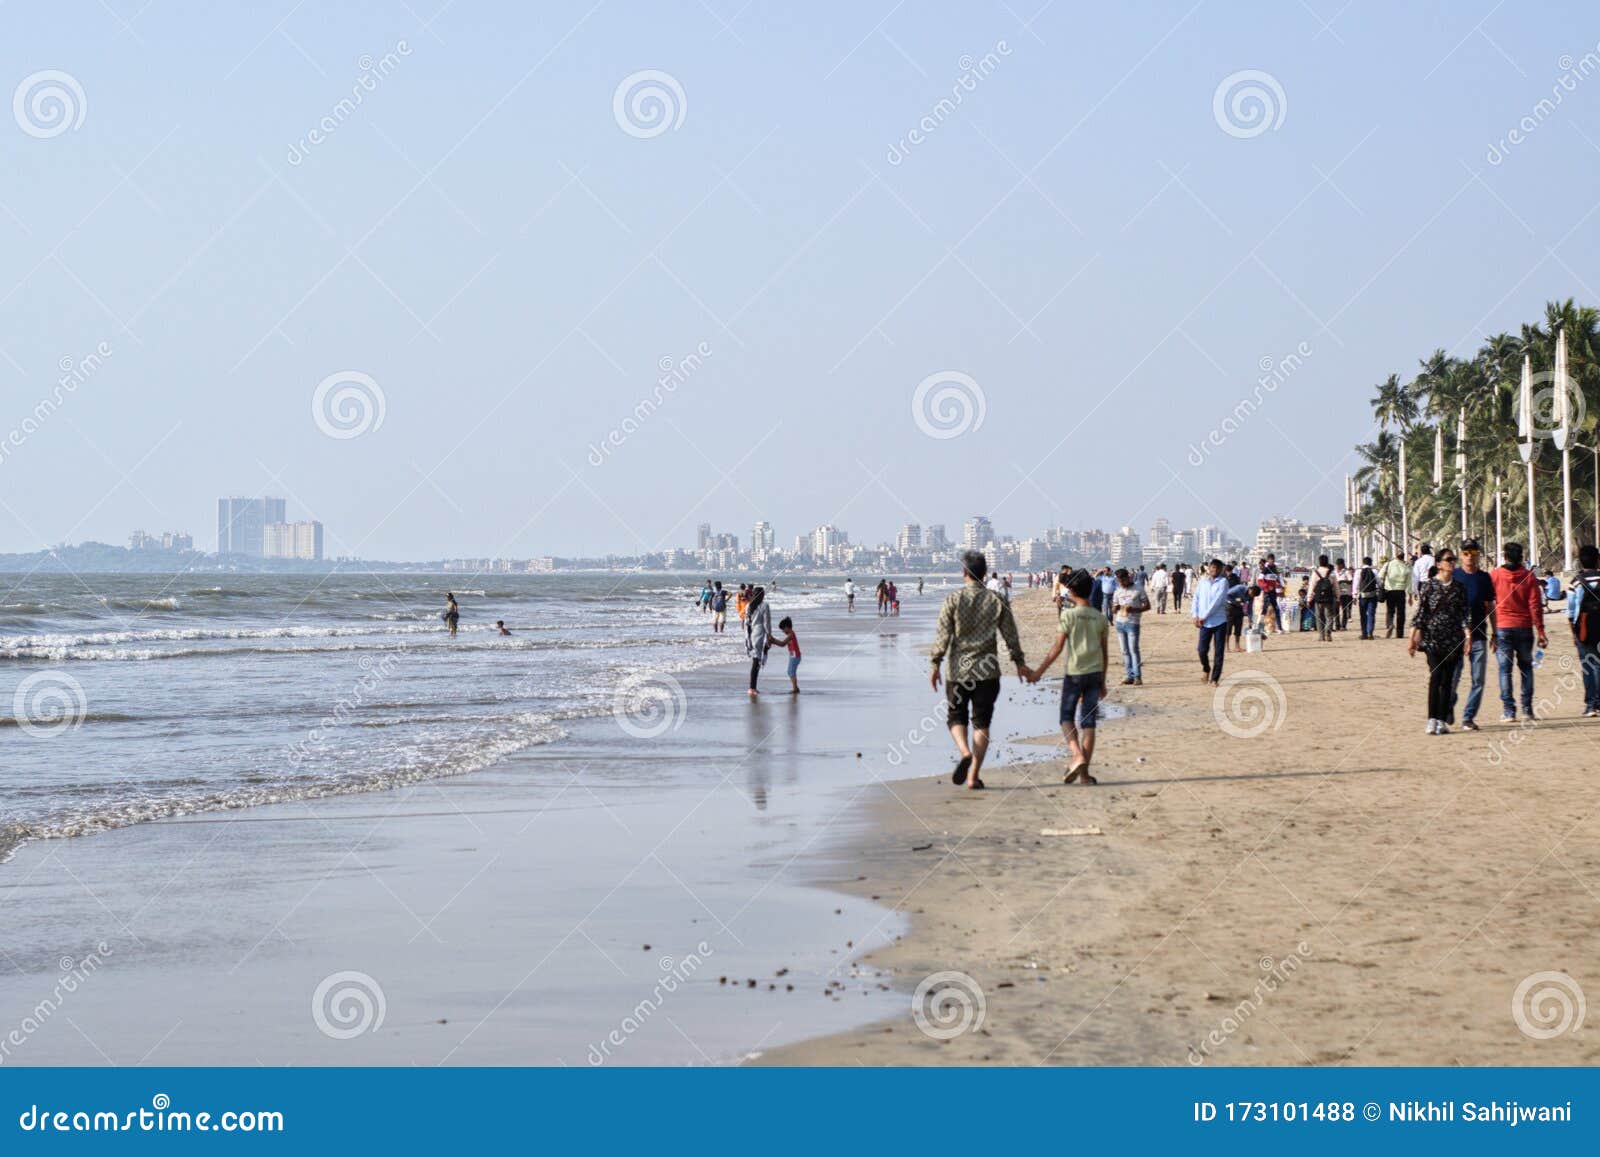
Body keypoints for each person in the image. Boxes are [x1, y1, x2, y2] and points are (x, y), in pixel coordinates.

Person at [929, 550, 1031, 791]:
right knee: (982, 722)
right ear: (984, 574)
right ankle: (973, 776)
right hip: (988, 672)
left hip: (958, 671)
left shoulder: (953, 600)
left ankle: (964, 752)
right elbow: (1010, 635)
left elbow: (943, 635)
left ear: (964, 572)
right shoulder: (996, 600)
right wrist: (1019, 663)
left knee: (956, 716)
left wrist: (935, 663)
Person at [1028, 568, 1108, 785]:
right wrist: (1103, 681)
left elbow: (1057, 648)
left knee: (1066, 718)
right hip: (1094, 675)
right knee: (1089, 723)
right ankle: (1084, 775)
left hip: (1074, 674)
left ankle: (1077, 754)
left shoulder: (1068, 615)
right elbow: (1104, 652)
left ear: (1072, 590)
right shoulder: (1100, 618)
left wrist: (1038, 672)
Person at [1409, 548, 1470, 735]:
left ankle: (1442, 720)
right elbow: (1421, 613)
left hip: (1453, 640)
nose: (1452, 562)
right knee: (1436, 677)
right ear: (1438, 564)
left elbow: (1464, 614)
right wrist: (1413, 637)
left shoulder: (1459, 588)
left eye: (1453, 559)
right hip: (1433, 639)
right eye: (1448, 559)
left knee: (1447, 681)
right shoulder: (1429, 586)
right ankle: (1432, 719)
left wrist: (1468, 634)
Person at [1489, 542, 1547, 723]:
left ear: (1505, 556)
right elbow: (1535, 606)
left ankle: (1509, 711)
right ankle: (1527, 710)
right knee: (1526, 669)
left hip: (1503, 627)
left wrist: (1491, 631)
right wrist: (1541, 630)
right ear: (1521, 556)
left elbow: (1488, 602)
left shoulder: (1495, 575)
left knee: (1505, 670)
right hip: (1524, 628)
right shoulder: (1529, 577)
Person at [1452, 540, 1496, 731]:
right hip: (1455, 636)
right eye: (1466, 552)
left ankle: (1468, 717)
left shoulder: (1484, 578)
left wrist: (1496, 631)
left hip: (1479, 635)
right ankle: (1447, 710)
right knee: (1453, 678)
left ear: (1478, 554)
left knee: (1478, 679)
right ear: (1461, 555)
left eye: (1473, 552)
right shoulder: (1454, 576)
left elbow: (1490, 606)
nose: (1470, 555)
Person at [1191, 559, 1247, 685]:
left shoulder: (1223, 582)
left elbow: (1216, 602)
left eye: (1217, 568)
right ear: (1209, 568)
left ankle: (1215, 678)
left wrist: (1204, 616)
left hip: (1219, 621)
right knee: (1201, 650)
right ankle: (1206, 668)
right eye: (1212, 568)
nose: (1214, 571)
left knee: (1219, 651)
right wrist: (1195, 615)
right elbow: (1196, 598)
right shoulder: (1203, 581)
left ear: (1221, 570)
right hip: (1204, 622)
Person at [1566, 544, 1600, 716]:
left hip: (1584, 628)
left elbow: (1571, 612)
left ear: (1580, 561)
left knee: (1588, 665)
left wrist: (1574, 632)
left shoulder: (1576, 581)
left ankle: (1591, 705)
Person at [1110, 567, 1150, 685]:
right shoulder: (1117, 591)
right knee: (1124, 651)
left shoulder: (1138, 589)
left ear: (1128, 578)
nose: (1121, 583)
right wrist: (1115, 608)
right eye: (1119, 581)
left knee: (1133, 650)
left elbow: (1147, 606)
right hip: (1120, 623)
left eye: (1122, 581)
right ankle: (1129, 675)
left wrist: (1134, 609)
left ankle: (1137, 676)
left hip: (1133, 623)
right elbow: (1113, 608)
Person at [743, 585, 771, 698]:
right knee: (756, 661)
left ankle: (753, 687)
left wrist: (747, 637)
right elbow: (766, 622)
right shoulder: (764, 605)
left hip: (751, 633)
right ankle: (752, 687)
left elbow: (746, 622)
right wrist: (769, 635)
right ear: (762, 595)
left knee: (755, 660)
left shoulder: (749, 606)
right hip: (760, 633)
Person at [1381, 552, 1410, 636]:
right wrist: (1410, 594)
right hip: (1401, 591)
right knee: (1401, 612)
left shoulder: (1388, 564)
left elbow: (1380, 575)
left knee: (1390, 610)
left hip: (1390, 590)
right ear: (1403, 557)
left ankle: (1390, 624)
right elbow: (1409, 581)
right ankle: (1400, 633)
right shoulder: (1406, 565)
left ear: (1395, 556)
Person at [771, 615, 802, 694]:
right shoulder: (791, 634)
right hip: (793, 656)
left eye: (783, 629)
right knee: (790, 672)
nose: (783, 631)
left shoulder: (790, 634)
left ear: (787, 627)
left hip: (795, 656)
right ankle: (796, 687)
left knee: (791, 672)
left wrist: (773, 640)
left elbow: (782, 644)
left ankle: (795, 689)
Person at [1311, 555, 1338, 641]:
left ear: (1319, 562)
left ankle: (1321, 635)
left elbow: (1311, 586)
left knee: (1319, 617)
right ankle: (1328, 633)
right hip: (1329, 598)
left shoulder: (1315, 573)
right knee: (1329, 616)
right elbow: (1336, 586)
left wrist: (1309, 598)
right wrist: (1338, 597)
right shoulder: (1332, 573)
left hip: (1318, 598)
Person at [1356, 556, 1380, 639]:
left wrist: (1354, 595)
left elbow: (1356, 583)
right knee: (1371, 614)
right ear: (1370, 563)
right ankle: (1370, 632)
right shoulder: (1374, 571)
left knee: (1363, 615)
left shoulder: (1359, 571)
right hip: (1372, 595)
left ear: (1363, 563)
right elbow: (1379, 582)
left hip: (1362, 595)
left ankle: (1364, 633)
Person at [1335, 558, 1354, 630]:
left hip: (1345, 593)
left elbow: (1351, 581)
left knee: (1344, 610)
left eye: (1339, 565)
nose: (1337, 566)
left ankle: (1343, 625)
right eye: (1337, 565)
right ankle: (1337, 625)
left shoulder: (1346, 572)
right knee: (1336, 610)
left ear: (1342, 565)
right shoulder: (1334, 572)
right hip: (1336, 593)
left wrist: (1342, 581)